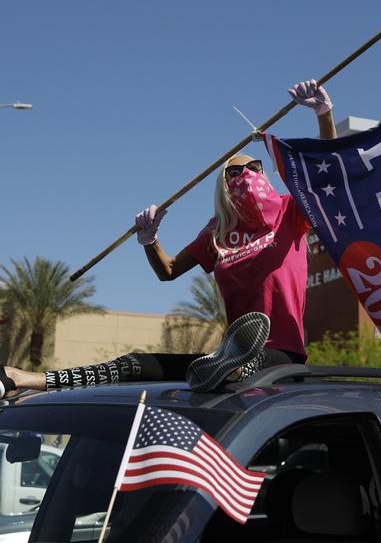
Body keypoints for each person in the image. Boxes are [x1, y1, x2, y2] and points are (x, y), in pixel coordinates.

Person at [0, 80, 337, 398]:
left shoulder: (290, 213)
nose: (245, 176)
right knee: (137, 364)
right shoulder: (216, 231)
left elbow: (327, 174)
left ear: (266, 173)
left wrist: (324, 115)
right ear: (222, 185)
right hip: (227, 355)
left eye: (254, 167)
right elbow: (169, 270)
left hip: (282, 356)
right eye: (234, 172)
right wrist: (150, 239)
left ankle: (228, 369)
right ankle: (25, 378)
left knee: (246, 364)